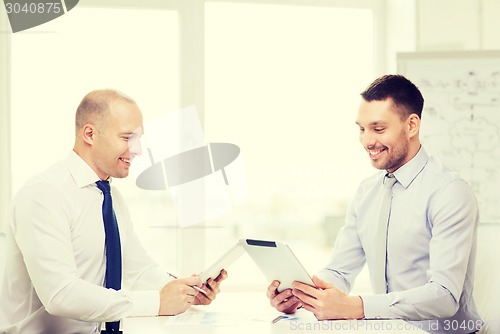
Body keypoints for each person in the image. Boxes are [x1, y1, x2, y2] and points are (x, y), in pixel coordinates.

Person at [266, 75, 482, 333]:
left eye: (378, 129)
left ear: (412, 125)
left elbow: (444, 296)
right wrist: (304, 297)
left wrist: (357, 307)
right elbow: (339, 271)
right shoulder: (366, 192)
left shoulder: (449, 192)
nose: (367, 141)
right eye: (362, 128)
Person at [0, 90, 227, 333]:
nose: (138, 149)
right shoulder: (45, 194)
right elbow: (60, 294)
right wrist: (158, 302)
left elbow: (139, 270)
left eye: (139, 138)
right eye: (128, 137)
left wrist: (185, 291)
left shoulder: (111, 198)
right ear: (90, 134)